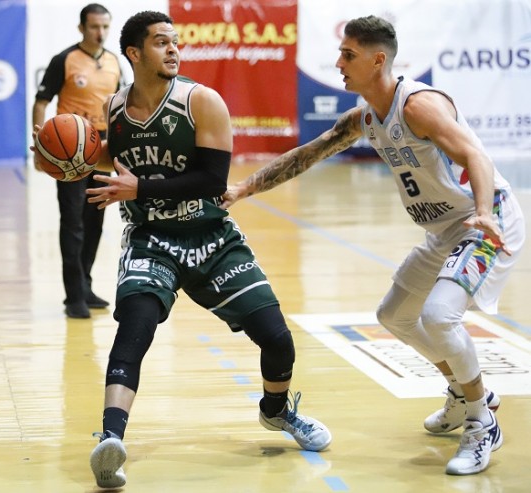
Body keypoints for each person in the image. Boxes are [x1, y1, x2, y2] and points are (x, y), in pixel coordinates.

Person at [221, 15, 525, 476]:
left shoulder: (419, 106)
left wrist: (483, 212)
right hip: (445, 230)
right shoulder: (365, 117)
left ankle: (482, 420)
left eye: (349, 55)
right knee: (394, 315)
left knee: (439, 316)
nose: (339, 64)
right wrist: (244, 188)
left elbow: (476, 155)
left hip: (485, 221)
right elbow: (309, 154)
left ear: (378, 59)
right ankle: (462, 394)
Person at [81, 11, 331, 489]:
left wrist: (141, 188)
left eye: (175, 41)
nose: (174, 49)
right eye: (161, 42)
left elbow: (213, 180)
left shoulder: (201, 101)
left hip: (211, 237)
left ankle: (276, 411)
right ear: (134, 53)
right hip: (151, 239)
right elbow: (103, 161)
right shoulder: (113, 109)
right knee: (134, 326)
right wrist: (62, 157)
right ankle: (110, 441)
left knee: (277, 340)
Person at [32, 3, 122, 319]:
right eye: (94, 26)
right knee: (72, 222)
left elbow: (119, 108)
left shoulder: (114, 62)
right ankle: (73, 296)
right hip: (69, 150)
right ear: (81, 28)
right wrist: (41, 148)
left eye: (105, 27)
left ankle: (85, 285)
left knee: (95, 220)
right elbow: (41, 103)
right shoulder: (64, 59)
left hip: (102, 148)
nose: (100, 32)